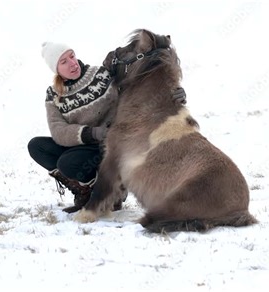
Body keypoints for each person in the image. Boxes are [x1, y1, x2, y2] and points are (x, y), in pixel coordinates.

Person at [28, 41, 187, 213]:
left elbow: (137, 89)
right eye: (63, 62)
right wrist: (91, 133)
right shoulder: (53, 95)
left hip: (111, 145)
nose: (72, 63)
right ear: (56, 69)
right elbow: (58, 131)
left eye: (71, 56)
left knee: (68, 162)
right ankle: (85, 191)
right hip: (85, 142)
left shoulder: (102, 75)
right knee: (37, 146)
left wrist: (170, 94)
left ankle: (114, 191)